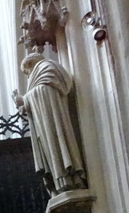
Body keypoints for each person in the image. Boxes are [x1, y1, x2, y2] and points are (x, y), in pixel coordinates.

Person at [15, 52, 88, 194]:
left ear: (31, 64)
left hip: (53, 123)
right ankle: (62, 181)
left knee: (59, 147)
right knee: (52, 150)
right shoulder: (41, 74)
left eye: (27, 73)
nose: (29, 76)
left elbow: (45, 91)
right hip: (46, 124)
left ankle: (70, 179)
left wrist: (25, 99)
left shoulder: (46, 68)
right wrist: (24, 104)